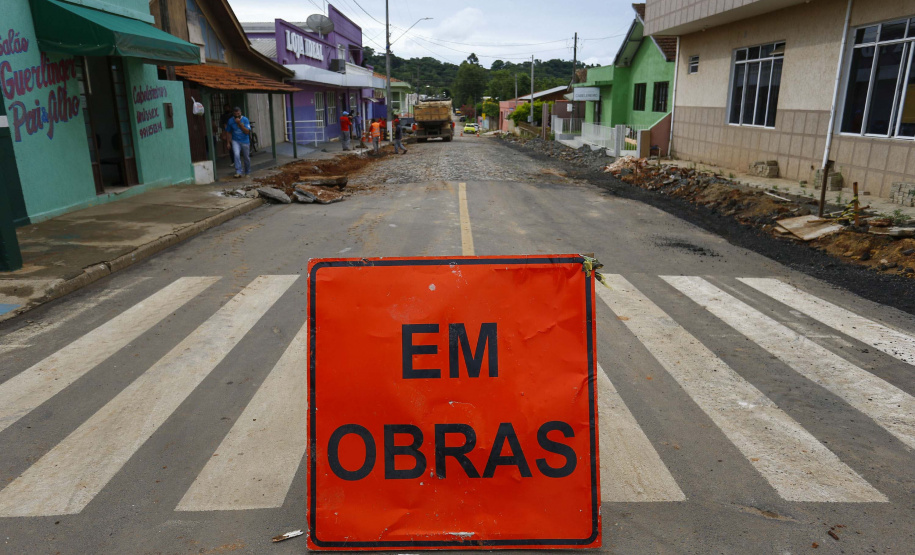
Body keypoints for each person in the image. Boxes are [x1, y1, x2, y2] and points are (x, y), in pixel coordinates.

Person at [225, 106, 251, 177]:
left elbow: (247, 132)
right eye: (235, 114)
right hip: (235, 140)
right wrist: (228, 142)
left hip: (245, 140)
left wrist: (239, 124)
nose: (237, 115)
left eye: (238, 114)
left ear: (241, 113)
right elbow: (228, 132)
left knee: (246, 157)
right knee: (236, 155)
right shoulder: (230, 121)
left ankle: (247, 172)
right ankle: (238, 171)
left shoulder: (245, 120)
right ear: (233, 114)